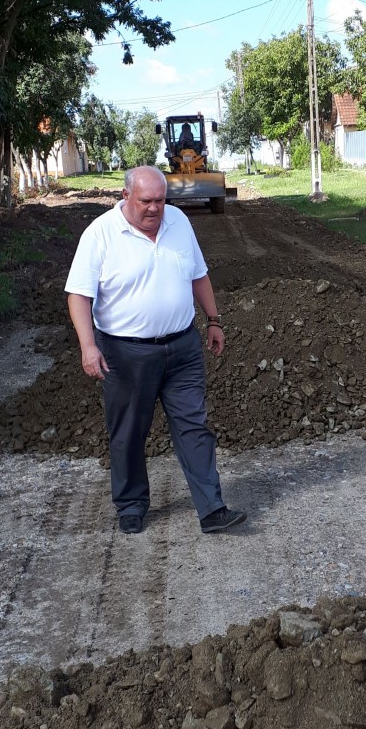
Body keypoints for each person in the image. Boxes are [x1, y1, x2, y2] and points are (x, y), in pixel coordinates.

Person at [65, 166, 246, 534]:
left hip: (183, 348)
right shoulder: (100, 233)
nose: (154, 209)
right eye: (145, 201)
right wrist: (88, 346)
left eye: (160, 201)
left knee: (194, 427)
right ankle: (131, 505)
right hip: (125, 354)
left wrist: (213, 320)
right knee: (129, 432)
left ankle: (212, 508)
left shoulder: (178, 222)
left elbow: (198, 274)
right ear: (125, 197)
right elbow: (78, 295)